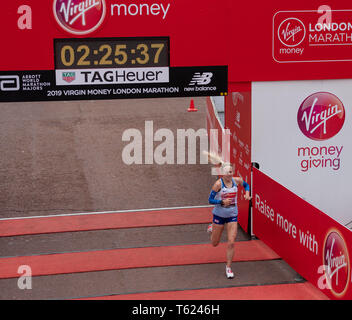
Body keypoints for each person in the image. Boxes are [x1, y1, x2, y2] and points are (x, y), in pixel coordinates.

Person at [207, 163, 251, 279]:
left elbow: (246, 185)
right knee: (214, 243)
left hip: (232, 215)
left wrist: (247, 193)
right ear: (223, 173)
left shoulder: (236, 181)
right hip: (219, 215)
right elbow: (210, 200)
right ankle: (212, 228)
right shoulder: (218, 184)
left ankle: (228, 267)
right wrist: (221, 202)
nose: (229, 175)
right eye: (227, 173)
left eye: (230, 172)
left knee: (231, 242)